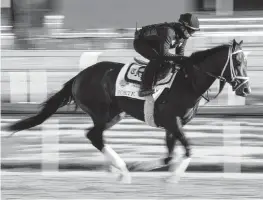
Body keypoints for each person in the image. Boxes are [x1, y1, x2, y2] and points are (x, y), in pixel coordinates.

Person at [133, 13, 200, 97]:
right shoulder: (168, 31)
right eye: (191, 30)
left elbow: (179, 56)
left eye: (193, 31)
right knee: (157, 59)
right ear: (183, 27)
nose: (191, 33)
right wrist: (183, 58)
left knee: (171, 63)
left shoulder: (183, 37)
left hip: (154, 44)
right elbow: (164, 54)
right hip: (140, 42)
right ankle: (145, 88)